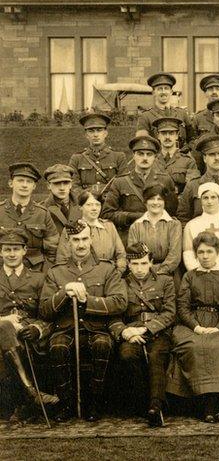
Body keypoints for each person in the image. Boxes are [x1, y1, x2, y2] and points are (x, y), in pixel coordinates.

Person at [40, 220, 127, 422]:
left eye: (85, 239)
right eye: (75, 240)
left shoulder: (107, 269)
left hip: (97, 328)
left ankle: (95, 403)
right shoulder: (56, 272)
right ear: (68, 243)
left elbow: (120, 302)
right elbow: (44, 310)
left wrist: (87, 301)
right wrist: (64, 292)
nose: (80, 245)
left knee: (102, 344)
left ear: (92, 239)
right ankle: (67, 403)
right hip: (66, 328)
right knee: (58, 347)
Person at [167, 231, 219, 423]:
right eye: (201, 252)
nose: (205, 256)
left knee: (217, 347)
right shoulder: (189, 276)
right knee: (194, 346)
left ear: (218, 253)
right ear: (196, 254)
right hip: (192, 324)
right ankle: (204, 403)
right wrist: (195, 326)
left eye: (209, 252)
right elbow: (182, 306)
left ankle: (215, 403)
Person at [109, 244, 175, 427]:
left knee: (156, 356)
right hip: (131, 331)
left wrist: (147, 329)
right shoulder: (119, 283)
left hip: (157, 331)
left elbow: (170, 313)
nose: (139, 268)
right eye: (135, 263)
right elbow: (113, 315)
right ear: (128, 264)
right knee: (127, 355)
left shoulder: (165, 281)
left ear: (151, 263)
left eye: (144, 263)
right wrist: (125, 332)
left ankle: (155, 405)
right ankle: (142, 403)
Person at [0, 228, 58, 420]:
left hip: (28, 337)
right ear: (1, 252)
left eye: (16, 249)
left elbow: (48, 316)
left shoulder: (39, 278)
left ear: (25, 251)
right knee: (5, 327)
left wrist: (37, 329)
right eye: (7, 249)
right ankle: (31, 394)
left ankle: (18, 403)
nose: (11, 254)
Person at [101, 135, 177, 234]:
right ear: (133, 156)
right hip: (129, 233)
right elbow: (107, 214)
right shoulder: (120, 182)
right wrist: (133, 216)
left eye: (149, 154)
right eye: (140, 154)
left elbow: (172, 212)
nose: (145, 158)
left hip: (158, 233)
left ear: (155, 157)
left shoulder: (165, 180)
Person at [0, 163, 58, 272]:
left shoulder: (42, 214)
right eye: (20, 180)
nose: (25, 185)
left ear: (34, 186)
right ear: (10, 183)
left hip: (35, 271)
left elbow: (53, 250)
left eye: (29, 182)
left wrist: (43, 274)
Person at [55, 190, 125, 272]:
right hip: (81, 275)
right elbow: (62, 259)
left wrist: (118, 272)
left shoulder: (109, 226)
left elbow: (121, 255)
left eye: (98, 205)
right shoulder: (72, 229)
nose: (94, 208)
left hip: (108, 275)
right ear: (80, 207)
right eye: (89, 205)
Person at [181, 182, 219, 271]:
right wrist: (196, 272)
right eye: (205, 198)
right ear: (201, 200)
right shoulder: (191, 225)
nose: (209, 201)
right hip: (198, 272)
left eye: (213, 197)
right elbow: (188, 254)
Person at [127, 184, 183, 279]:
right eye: (152, 199)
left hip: (169, 274)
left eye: (159, 199)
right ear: (145, 202)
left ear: (165, 202)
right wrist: (146, 272)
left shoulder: (174, 224)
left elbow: (175, 255)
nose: (155, 202)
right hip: (142, 274)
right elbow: (134, 254)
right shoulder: (136, 226)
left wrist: (161, 271)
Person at [68, 112, 126, 197]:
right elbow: (73, 185)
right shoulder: (77, 158)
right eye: (91, 131)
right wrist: (87, 199)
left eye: (99, 130)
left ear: (105, 133)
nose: (95, 135)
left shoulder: (118, 157)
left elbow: (123, 185)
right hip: (86, 204)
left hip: (111, 204)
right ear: (86, 135)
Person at [134, 73, 191, 145]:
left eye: (166, 88)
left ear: (171, 92)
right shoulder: (145, 117)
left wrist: (186, 153)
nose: (163, 92)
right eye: (160, 89)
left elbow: (192, 138)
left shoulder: (182, 114)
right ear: (153, 92)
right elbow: (142, 143)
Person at [149, 116, 200, 195]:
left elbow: (192, 189)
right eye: (163, 133)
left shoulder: (188, 161)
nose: (167, 137)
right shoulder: (151, 160)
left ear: (177, 135)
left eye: (171, 133)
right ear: (158, 135)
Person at [41, 164, 82, 237]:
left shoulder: (82, 206)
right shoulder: (42, 210)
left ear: (71, 185)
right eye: (57, 183)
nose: (62, 188)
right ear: (48, 186)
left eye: (66, 183)